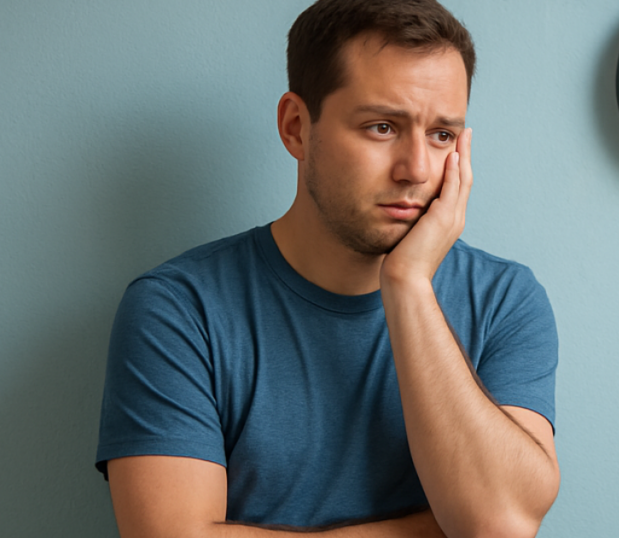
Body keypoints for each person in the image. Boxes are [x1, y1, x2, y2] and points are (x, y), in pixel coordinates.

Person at [93, 1, 560, 536]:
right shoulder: (179, 309)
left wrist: (407, 285)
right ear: (296, 127)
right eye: (382, 127)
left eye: (442, 135)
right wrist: (436, 530)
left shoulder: (504, 301)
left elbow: (498, 526)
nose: (417, 170)